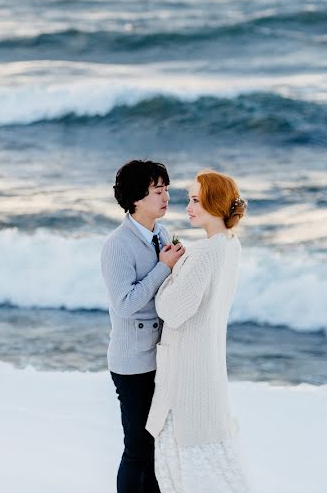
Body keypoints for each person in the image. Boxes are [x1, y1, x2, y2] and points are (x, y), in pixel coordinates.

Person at [145, 169, 256, 493]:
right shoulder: (229, 246)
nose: (188, 207)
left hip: (186, 373)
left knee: (181, 468)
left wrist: (169, 271)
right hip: (206, 365)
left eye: (195, 200)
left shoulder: (204, 253)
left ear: (215, 203)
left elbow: (170, 310)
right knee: (216, 463)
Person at [102, 160, 186, 493]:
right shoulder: (117, 245)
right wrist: (164, 268)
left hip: (161, 355)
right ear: (137, 198)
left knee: (157, 447)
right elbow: (125, 303)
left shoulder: (160, 234)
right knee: (138, 448)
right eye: (158, 191)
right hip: (132, 362)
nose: (166, 197)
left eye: (166, 190)